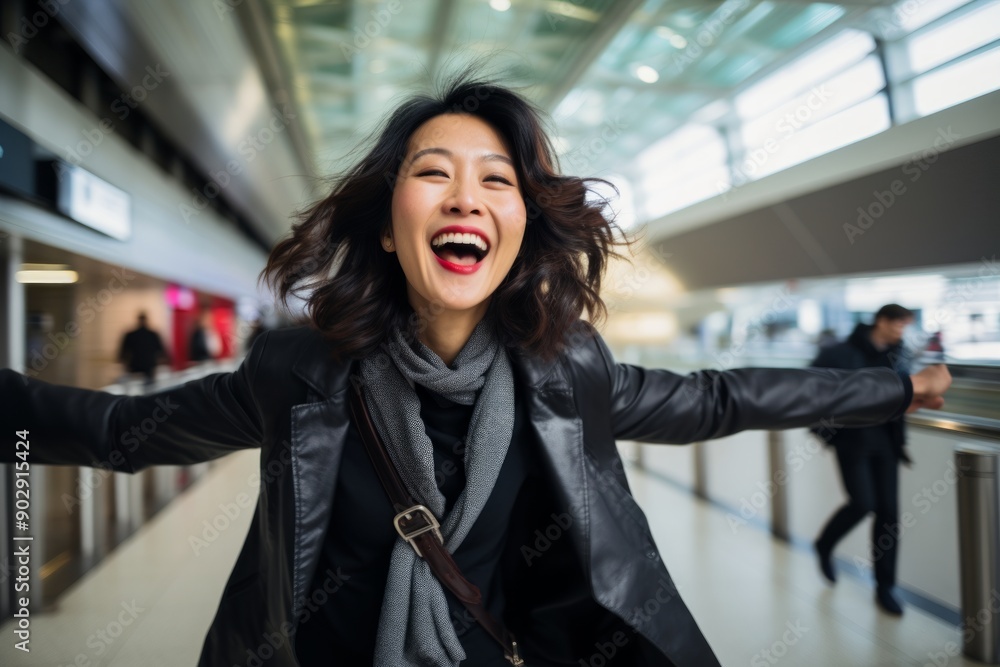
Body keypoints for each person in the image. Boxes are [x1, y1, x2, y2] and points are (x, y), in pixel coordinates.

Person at [1, 77, 951, 667]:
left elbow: (717, 398)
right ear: (388, 221)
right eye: (433, 172)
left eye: (497, 178)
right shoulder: (300, 369)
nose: (466, 196)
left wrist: (894, 387)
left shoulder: (564, 370)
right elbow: (127, 434)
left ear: (523, 225)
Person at [812, 304, 917, 616]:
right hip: (852, 441)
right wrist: (828, 434)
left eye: (904, 326)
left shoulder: (900, 354)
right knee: (862, 503)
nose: (901, 331)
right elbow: (810, 387)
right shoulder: (840, 352)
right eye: (898, 324)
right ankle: (824, 544)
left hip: (886, 441)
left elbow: (905, 390)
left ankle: (885, 587)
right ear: (881, 322)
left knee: (889, 514)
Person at [117, 311, 170, 387]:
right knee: (149, 387)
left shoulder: (131, 335)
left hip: (135, 365)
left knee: (135, 386)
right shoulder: (152, 334)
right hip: (148, 365)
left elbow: (123, 352)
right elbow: (161, 350)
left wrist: (123, 362)